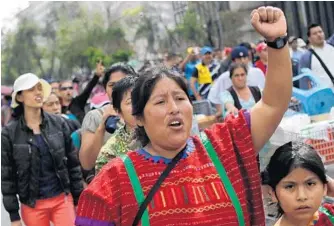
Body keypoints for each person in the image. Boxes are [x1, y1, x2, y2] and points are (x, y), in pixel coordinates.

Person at [74, 7, 294, 226]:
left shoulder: (225, 146)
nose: (174, 108)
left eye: (180, 98)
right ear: (138, 117)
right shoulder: (115, 180)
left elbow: (273, 104)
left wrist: (276, 42)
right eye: (160, 102)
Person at [1, 73, 83, 226]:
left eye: (39, 89)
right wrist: (14, 217)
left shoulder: (59, 124)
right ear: (19, 97)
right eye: (31, 89)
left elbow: (73, 164)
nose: (37, 92)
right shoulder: (9, 134)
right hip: (32, 205)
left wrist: (78, 199)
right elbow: (7, 177)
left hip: (62, 200)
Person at [79, 63, 137, 172]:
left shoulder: (144, 113)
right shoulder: (95, 116)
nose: (117, 89)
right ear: (105, 88)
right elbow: (86, 164)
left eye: (123, 83)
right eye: (112, 85)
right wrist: (102, 127)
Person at [261, 141, 334, 225]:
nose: (302, 196)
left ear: (325, 187)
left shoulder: (329, 216)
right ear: (273, 193)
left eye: (310, 184)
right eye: (290, 186)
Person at [96, 77, 141, 173]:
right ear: (118, 111)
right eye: (130, 102)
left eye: (141, 99)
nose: (138, 105)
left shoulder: (164, 134)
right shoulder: (110, 152)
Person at [208, 46, 265, 114]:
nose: (242, 60)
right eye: (236, 75)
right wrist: (222, 111)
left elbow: (266, 96)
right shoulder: (224, 79)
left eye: (242, 75)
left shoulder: (257, 74)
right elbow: (218, 97)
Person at [300, 24, 334, 88]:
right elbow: (304, 80)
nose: (319, 35)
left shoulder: (331, 46)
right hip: (323, 95)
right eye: (315, 33)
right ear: (309, 38)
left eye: (320, 32)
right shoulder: (306, 57)